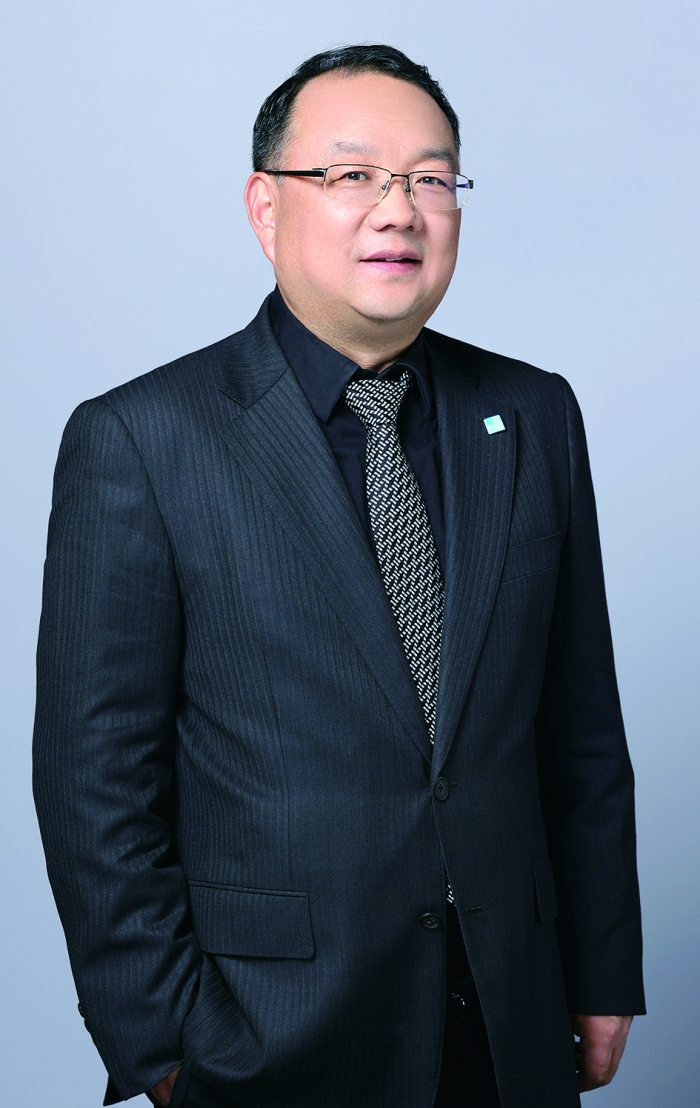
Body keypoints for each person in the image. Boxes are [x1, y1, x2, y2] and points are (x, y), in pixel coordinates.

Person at [33, 44, 645, 1108]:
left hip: (511, 1020)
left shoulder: (533, 413)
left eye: (431, 178)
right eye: (353, 174)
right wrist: (165, 1047)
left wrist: (599, 973)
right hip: (270, 1035)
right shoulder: (142, 438)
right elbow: (95, 778)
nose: (398, 209)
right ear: (266, 207)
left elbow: (579, 727)